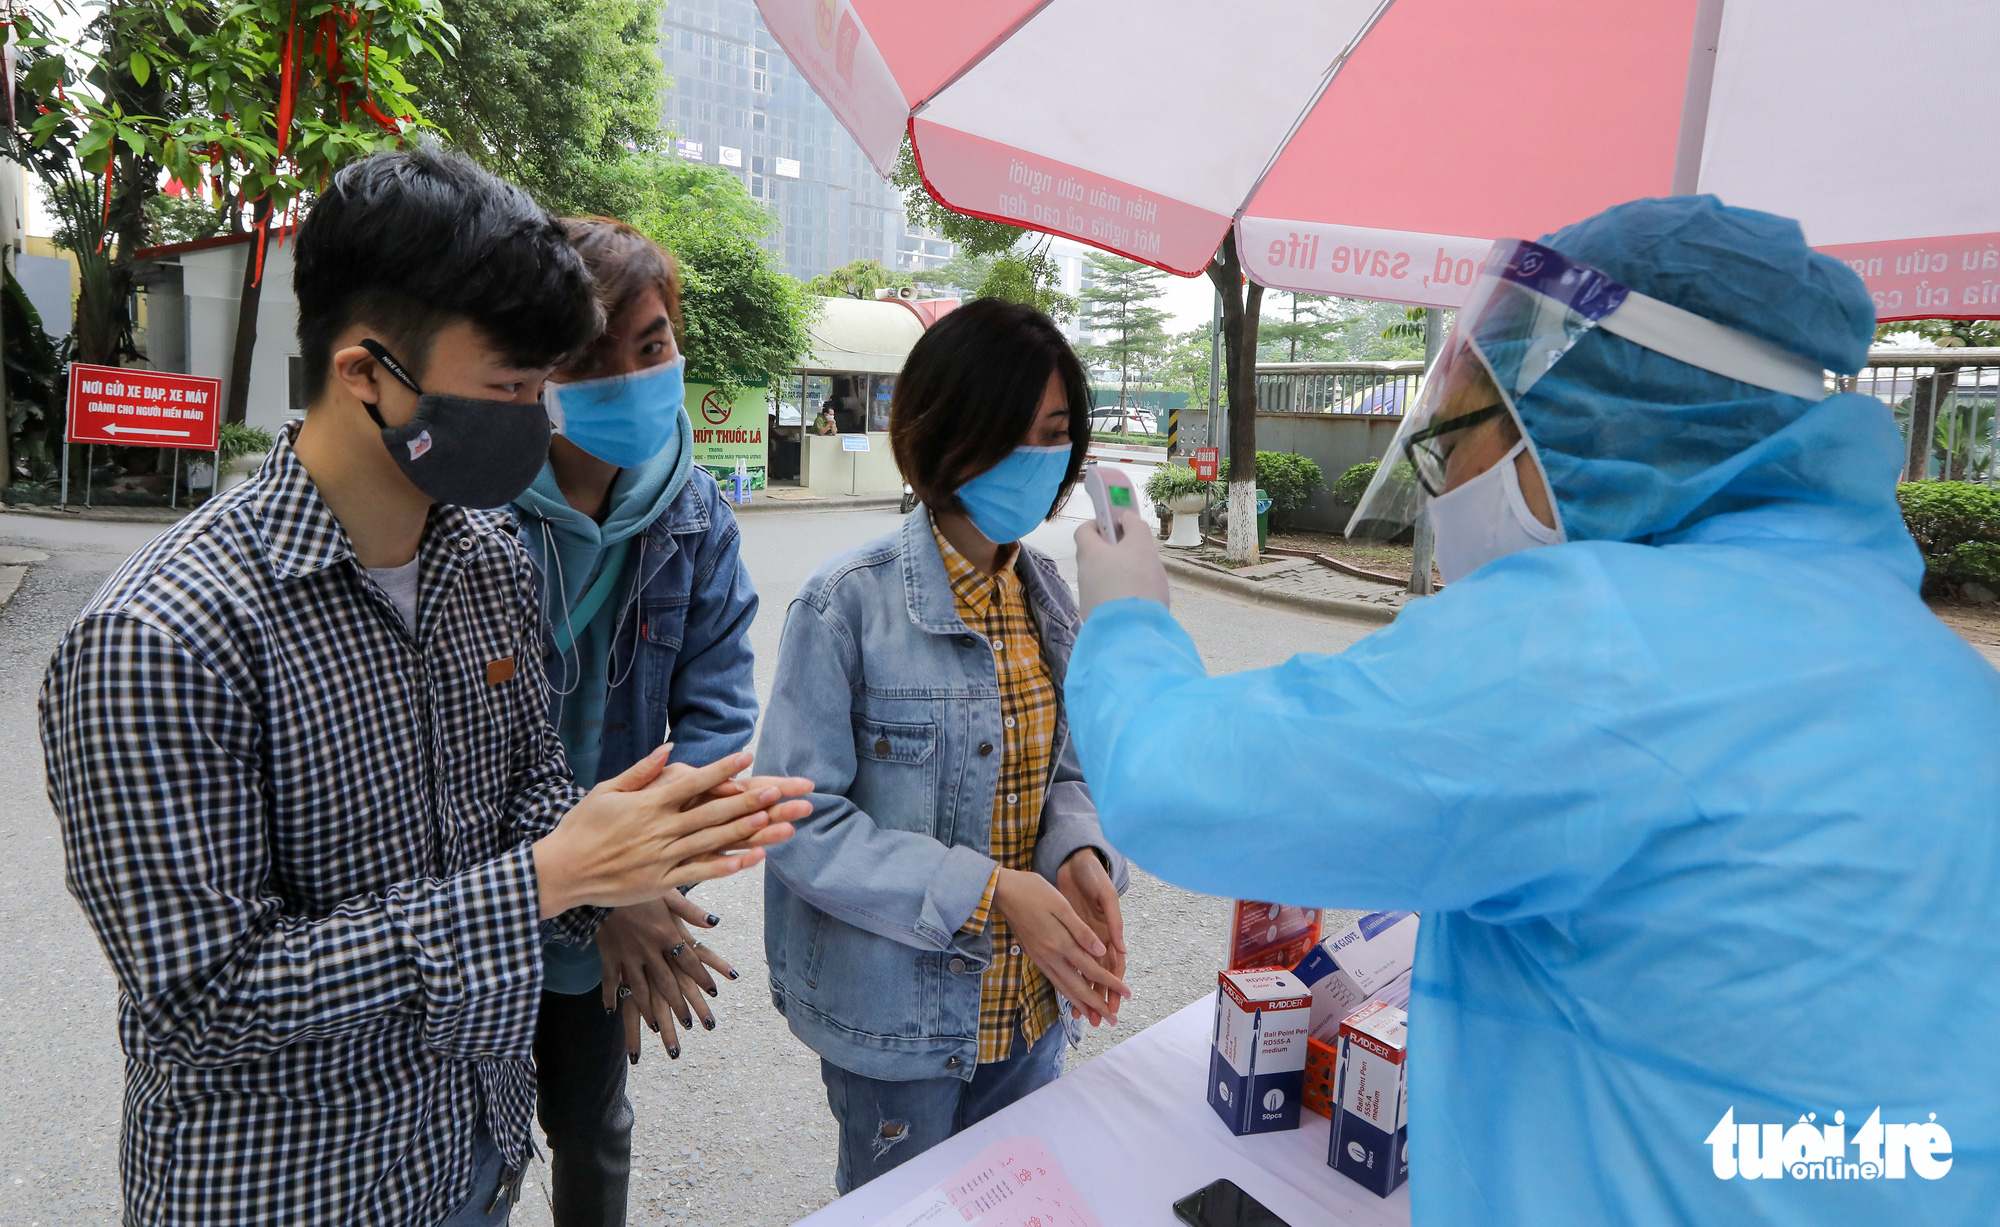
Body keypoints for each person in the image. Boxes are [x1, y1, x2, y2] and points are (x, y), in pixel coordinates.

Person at [1065, 197, 2000, 1223]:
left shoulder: (1599, 646)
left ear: (1590, 421)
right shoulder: (1940, 675)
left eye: (1454, 439)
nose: (1439, 490)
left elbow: (1179, 785)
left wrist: (1127, 620)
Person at [38, 147, 812, 1227]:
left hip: (470, 1153)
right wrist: (547, 879)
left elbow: (530, 784)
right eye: (511, 387)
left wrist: (624, 858)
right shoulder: (160, 639)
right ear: (366, 372)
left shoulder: (486, 561)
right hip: (287, 1193)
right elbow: (202, 1003)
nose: (542, 420)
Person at [756, 299, 1131, 1192]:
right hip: (900, 1034)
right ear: (942, 435)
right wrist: (993, 891)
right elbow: (797, 820)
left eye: (1055, 432)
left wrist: (1078, 848)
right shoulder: (844, 604)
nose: (1040, 458)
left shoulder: (1051, 601)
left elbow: (1071, 771)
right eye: (1011, 432)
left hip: (1029, 1011)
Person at [511, 217, 759, 1227]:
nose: (628, 377)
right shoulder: (474, 512)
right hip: (485, 899)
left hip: (618, 926)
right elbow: (459, 747)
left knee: (593, 1128)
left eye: (649, 345)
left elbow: (716, 724)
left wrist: (638, 889)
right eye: (588, 355)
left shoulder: (696, 515)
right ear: (533, 372)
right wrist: (594, 890)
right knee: (460, 1147)